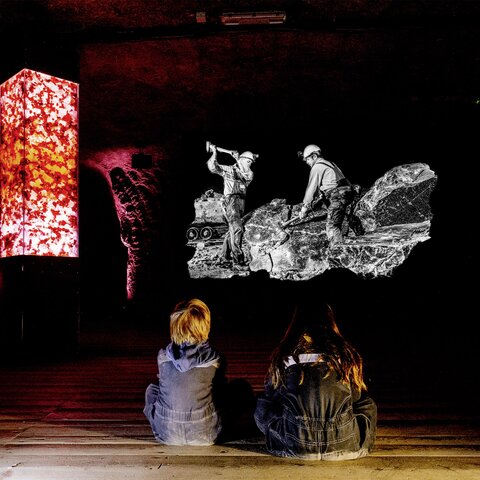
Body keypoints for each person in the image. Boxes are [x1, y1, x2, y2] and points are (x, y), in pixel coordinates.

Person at [254, 300, 377, 460]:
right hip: (343, 441)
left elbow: (272, 396)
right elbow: (356, 398)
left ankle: (292, 439)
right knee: (368, 404)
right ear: (330, 324)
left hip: (295, 442)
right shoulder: (345, 357)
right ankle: (355, 443)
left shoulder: (286, 357)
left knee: (263, 402)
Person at [143, 298, 226, 445]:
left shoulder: (163, 356)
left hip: (167, 434)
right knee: (234, 390)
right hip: (205, 433)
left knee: (152, 390)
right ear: (205, 325)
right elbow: (219, 390)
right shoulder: (215, 359)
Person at [207, 144, 255, 269]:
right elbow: (212, 167)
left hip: (241, 202)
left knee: (232, 231)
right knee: (237, 228)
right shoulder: (228, 170)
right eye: (248, 161)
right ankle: (238, 261)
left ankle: (224, 256)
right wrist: (214, 152)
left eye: (251, 162)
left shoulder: (249, 174)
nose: (249, 164)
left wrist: (237, 160)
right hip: (230, 201)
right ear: (243, 159)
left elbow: (246, 175)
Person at [299, 144, 355, 245]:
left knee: (332, 225)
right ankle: (350, 246)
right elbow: (336, 182)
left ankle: (337, 252)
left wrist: (305, 207)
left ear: (314, 156)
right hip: (347, 195)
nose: (307, 162)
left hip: (338, 196)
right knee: (343, 222)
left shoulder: (317, 167)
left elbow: (311, 189)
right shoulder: (330, 164)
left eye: (307, 159)